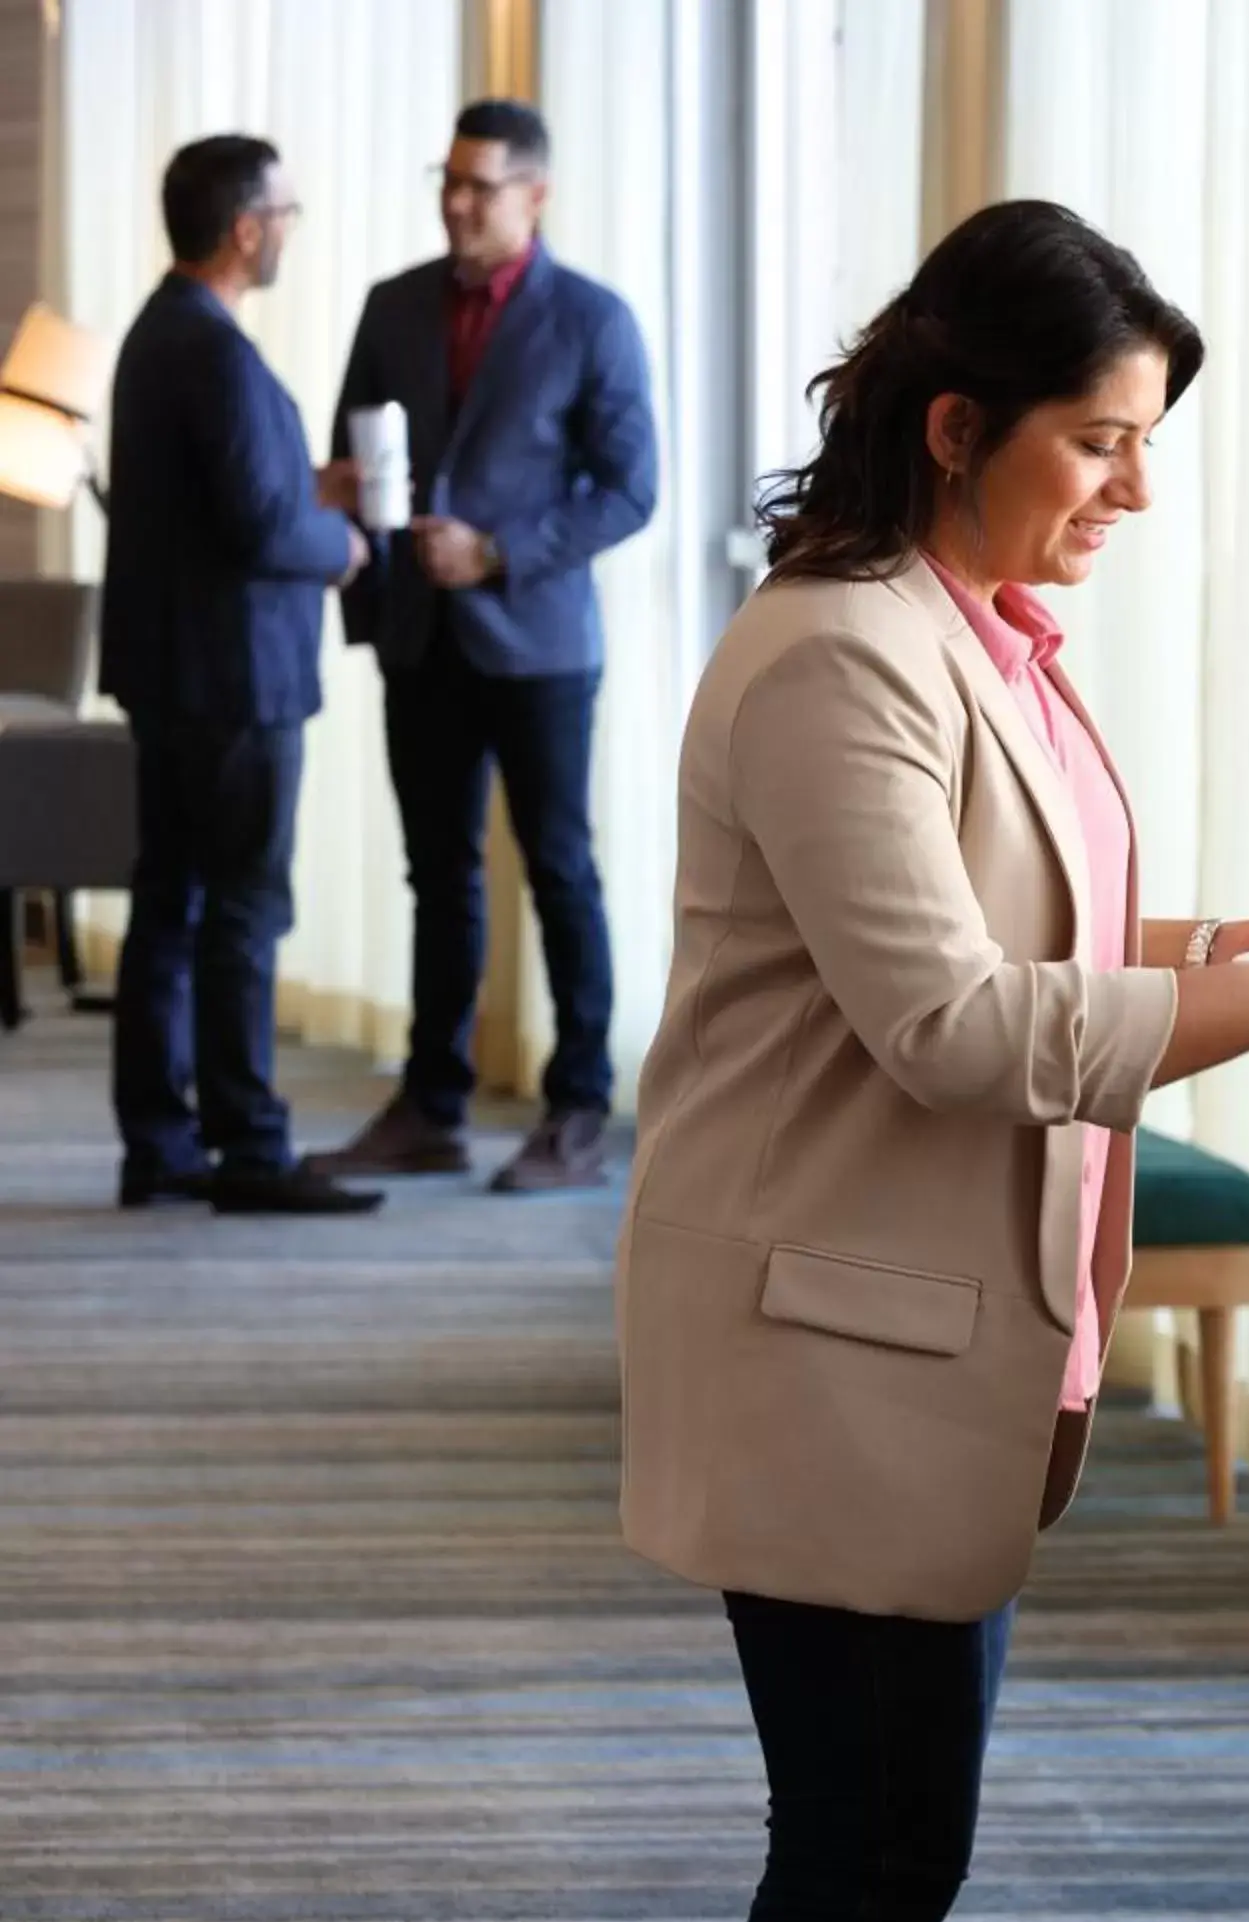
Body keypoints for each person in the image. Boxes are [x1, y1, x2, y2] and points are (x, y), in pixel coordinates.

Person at [616, 200, 1249, 1922]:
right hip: (832, 1339)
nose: (1134, 492)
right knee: (864, 1865)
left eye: (1147, 446)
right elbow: (950, 1022)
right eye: (1102, 441)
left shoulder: (970, 632)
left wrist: (1231, 934)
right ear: (955, 425)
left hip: (938, 1327)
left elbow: (992, 912)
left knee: (882, 1855)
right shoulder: (845, 651)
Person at [310, 98, 657, 1193]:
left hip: (541, 641)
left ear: (536, 195)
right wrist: (366, 566)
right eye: (448, 182)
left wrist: (500, 551)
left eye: (481, 186)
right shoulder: (393, 305)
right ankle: (433, 1103)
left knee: (561, 870)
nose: (458, 203)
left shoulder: (594, 319)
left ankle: (575, 1112)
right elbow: (352, 459)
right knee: (438, 876)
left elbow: (630, 490)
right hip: (421, 635)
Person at [100, 136, 380, 1217]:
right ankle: (251, 1148)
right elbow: (265, 528)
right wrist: (340, 541)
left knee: (169, 906)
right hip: (234, 681)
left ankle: (162, 1146)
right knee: (242, 910)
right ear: (246, 229)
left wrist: (313, 483)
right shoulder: (214, 349)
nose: (290, 234)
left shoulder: (159, 332)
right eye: (288, 215)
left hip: (175, 673)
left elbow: (210, 500)